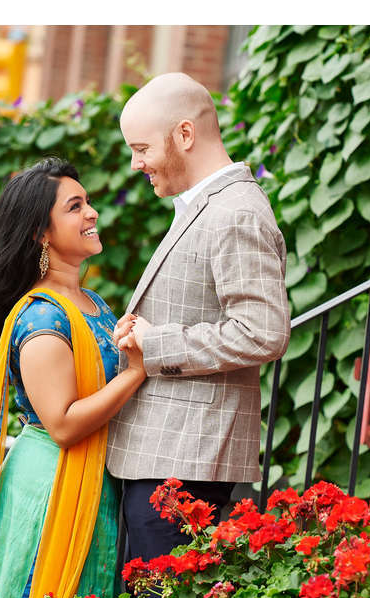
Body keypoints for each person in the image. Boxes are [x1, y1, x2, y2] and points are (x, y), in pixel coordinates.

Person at [0, 158, 146, 598]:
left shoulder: (92, 303)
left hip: (93, 479)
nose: (91, 213)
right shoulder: (41, 317)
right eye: (75, 206)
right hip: (52, 482)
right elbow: (64, 424)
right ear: (41, 233)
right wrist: (135, 372)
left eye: (87, 202)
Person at [110, 72, 291, 562]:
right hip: (167, 455)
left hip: (185, 462)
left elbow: (263, 332)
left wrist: (157, 342)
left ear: (184, 135)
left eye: (142, 147)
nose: (136, 163)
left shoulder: (235, 211)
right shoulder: (206, 206)